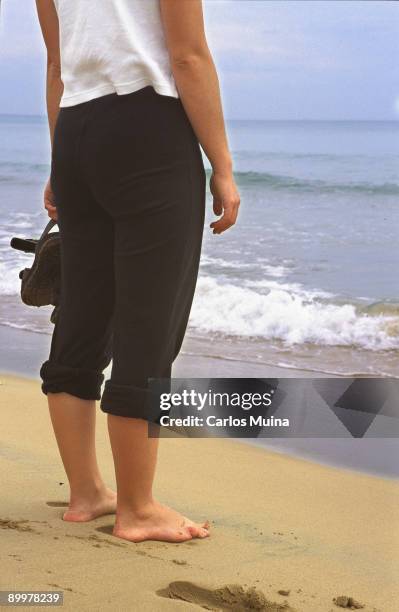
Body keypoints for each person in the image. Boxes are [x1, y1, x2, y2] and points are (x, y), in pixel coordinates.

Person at [35, 0, 240, 543]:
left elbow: (58, 64)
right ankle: (137, 509)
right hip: (149, 130)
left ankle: (86, 495)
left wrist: (60, 160)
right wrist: (222, 165)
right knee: (148, 328)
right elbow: (189, 57)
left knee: (80, 316)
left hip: (77, 132)